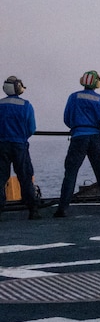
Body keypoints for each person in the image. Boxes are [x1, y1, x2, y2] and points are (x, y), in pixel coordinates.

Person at [54, 71, 100, 217]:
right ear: (96, 82)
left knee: (70, 173)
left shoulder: (73, 97)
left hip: (78, 138)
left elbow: (66, 118)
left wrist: (76, 127)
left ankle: (62, 208)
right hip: (95, 138)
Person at [0, 76, 41, 220]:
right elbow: (31, 128)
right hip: (19, 145)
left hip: (2, 145)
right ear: (18, 87)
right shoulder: (26, 105)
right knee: (25, 177)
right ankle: (32, 209)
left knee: (0, 178)